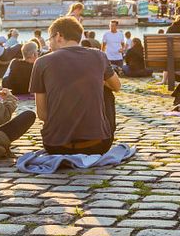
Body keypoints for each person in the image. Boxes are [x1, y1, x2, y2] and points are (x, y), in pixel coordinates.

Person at [30, 17, 121, 155]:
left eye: (50, 39)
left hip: (56, 146)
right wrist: (97, 80)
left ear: (59, 36)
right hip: (98, 145)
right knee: (107, 92)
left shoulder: (42, 62)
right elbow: (117, 86)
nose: (49, 45)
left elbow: (42, 114)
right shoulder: (99, 56)